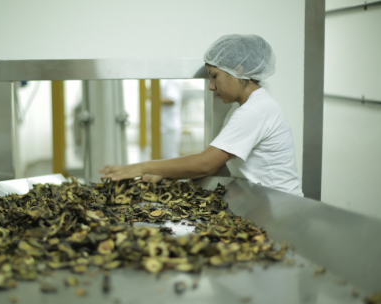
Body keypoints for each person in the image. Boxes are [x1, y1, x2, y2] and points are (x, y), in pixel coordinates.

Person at [100, 34, 303, 197]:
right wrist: (162, 174)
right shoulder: (245, 107)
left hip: (281, 205)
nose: (211, 86)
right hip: (265, 201)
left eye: (214, 76)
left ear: (238, 70)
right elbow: (214, 165)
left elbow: (206, 163)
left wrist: (142, 167)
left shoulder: (254, 112)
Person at [160, 80, 183, 159]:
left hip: (168, 127)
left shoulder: (171, 80)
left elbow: (171, 99)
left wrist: (153, 97)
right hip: (162, 126)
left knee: (169, 157)